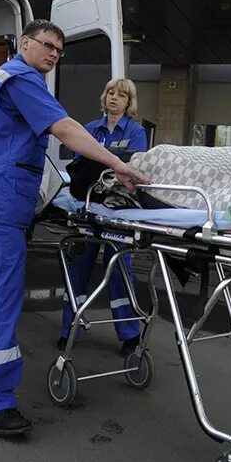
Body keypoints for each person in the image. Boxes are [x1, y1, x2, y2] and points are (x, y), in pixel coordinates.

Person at [0, 19, 147, 437]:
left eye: (60, 49)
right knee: (2, 294)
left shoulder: (5, 79)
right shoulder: (22, 78)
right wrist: (117, 164)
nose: (54, 53)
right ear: (25, 43)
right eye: (48, 45)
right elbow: (64, 129)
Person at [58, 78, 148, 355]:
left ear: (128, 102)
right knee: (78, 269)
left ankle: (130, 335)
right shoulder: (89, 129)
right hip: (88, 207)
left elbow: (133, 165)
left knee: (121, 271)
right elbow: (81, 166)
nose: (114, 98)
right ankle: (68, 329)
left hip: (119, 211)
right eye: (110, 92)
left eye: (121, 95)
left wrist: (102, 159)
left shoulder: (136, 131)